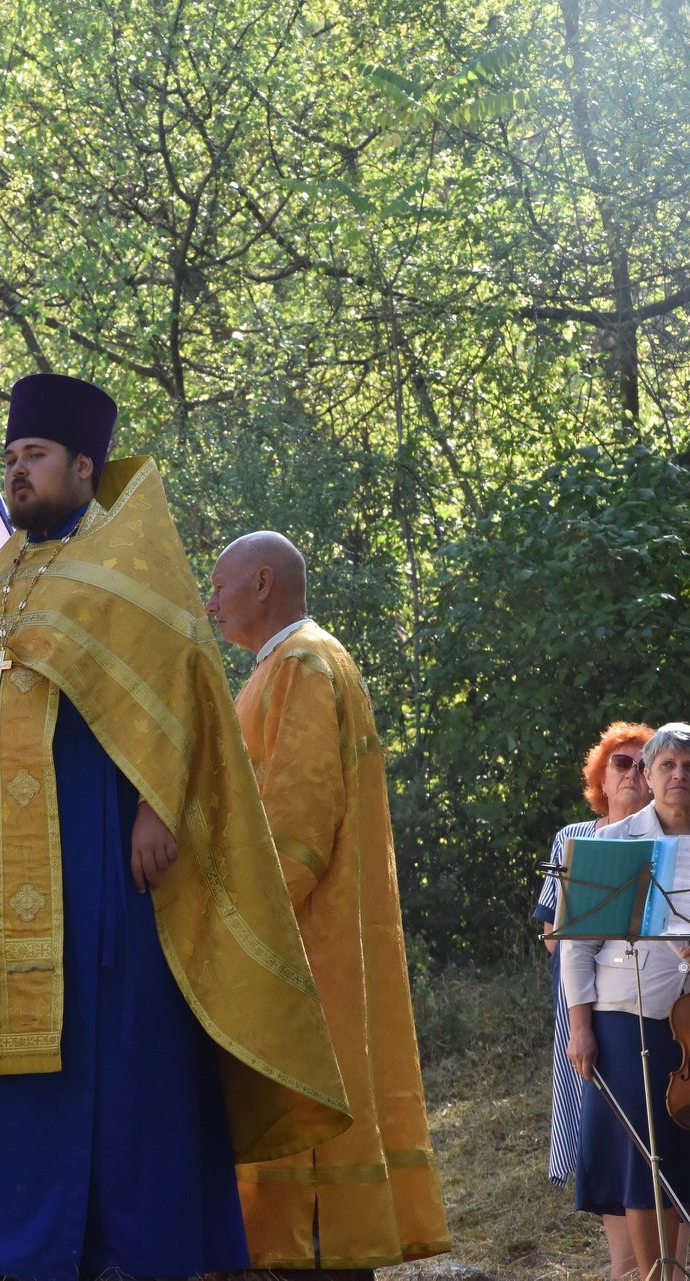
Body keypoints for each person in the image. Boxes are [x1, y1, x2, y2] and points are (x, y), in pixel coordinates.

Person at [0, 373, 348, 1280]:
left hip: (94, 847)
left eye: (34, 457)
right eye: (11, 459)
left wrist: (159, 805)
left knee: (102, 1039)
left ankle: (108, 1235)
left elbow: (180, 689)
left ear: (84, 464)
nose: (18, 473)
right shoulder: (0, 579)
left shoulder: (131, 570)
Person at [206, 531, 450, 1275]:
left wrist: (234, 926)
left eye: (217, 584)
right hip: (318, 945)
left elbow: (296, 822)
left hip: (303, 950)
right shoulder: (284, 665)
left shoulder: (303, 663)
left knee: (309, 1192)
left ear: (262, 582)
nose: (208, 601)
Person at [565, 722, 690, 1281]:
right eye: (667, 766)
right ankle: (655, 1275)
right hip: (625, 1020)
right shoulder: (610, 844)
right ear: (648, 777)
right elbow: (577, 946)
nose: (679, 775)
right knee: (643, 1160)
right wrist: (581, 1028)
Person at [533, 722, 654, 1277]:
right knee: (606, 1131)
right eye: (619, 764)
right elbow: (554, 935)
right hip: (588, 1002)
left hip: (662, 1006)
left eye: (638, 764)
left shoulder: (676, 835)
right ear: (600, 777)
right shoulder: (573, 836)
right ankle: (625, 1267)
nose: (630, 772)